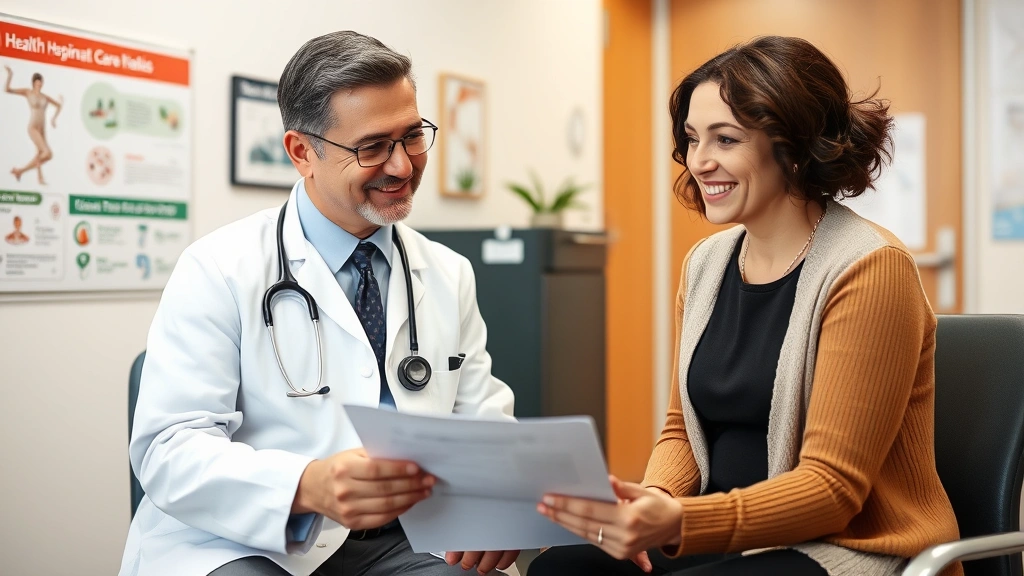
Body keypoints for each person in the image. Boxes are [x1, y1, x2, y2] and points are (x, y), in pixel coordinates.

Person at [530, 36, 962, 576]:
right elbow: (681, 428)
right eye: (691, 139)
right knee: (565, 569)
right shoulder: (706, 263)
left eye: (725, 139)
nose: (700, 162)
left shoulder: (872, 269)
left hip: (847, 545)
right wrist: (650, 503)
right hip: (725, 532)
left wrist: (680, 522)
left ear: (796, 147)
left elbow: (833, 491)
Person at [118, 31, 519, 576]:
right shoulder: (217, 268)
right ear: (302, 152)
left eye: (413, 136)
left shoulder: (448, 272)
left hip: (409, 538)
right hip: (247, 538)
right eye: (373, 147)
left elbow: (482, 419)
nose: (403, 166)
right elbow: (168, 449)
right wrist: (308, 485)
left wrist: (498, 504)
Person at [4, 66, 62, 184]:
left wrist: (53, 119)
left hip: (42, 128)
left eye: (40, 82)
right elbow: (7, 89)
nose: (39, 85)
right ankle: (21, 170)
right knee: (46, 153)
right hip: (33, 127)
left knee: (44, 154)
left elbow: (58, 106)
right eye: (37, 82)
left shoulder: (44, 97)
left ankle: (35, 177)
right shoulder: (27, 92)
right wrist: (10, 74)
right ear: (33, 83)